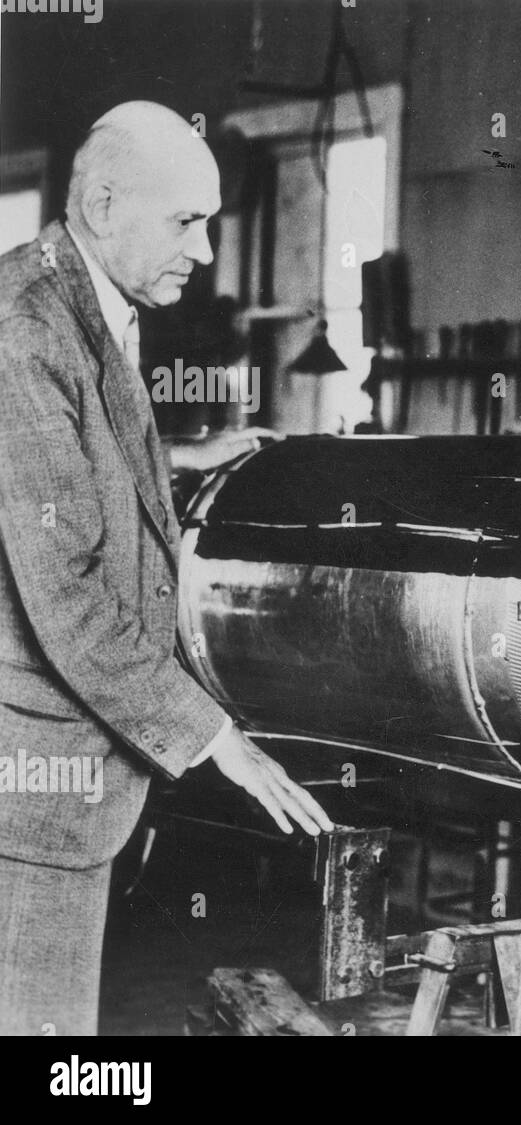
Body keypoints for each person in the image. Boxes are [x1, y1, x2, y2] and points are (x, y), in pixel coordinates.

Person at [0, 101, 334, 1036]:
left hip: (69, 784)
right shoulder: (24, 329)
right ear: (103, 203)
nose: (205, 250)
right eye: (187, 221)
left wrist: (182, 455)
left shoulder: (81, 298)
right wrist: (216, 736)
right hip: (32, 796)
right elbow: (65, 598)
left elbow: (62, 454)